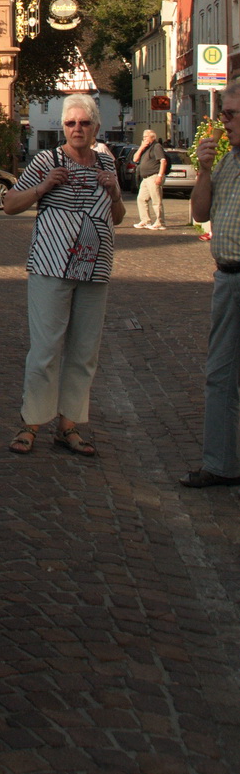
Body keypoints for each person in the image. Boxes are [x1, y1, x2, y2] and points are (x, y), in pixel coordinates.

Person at [3, 93, 124, 458]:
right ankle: (31, 423)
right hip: (52, 266)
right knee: (45, 349)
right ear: (62, 128)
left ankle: (69, 425)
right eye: (70, 123)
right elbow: (9, 204)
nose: (77, 129)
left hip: (95, 268)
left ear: (95, 127)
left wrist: (115, 191)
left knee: (85, 351)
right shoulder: (47, 159)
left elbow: (117, 217)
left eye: (84, 123)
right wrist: (43, 187)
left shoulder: (106, 162)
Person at [181, 84, 240, 487]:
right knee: (219, 374)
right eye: (225, 115)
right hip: (228, 277)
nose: (225, 122)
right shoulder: (228, 162)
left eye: (232, 115)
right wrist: (203, 170)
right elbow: (200, 212)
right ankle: (220, 464)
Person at [132, 128, 170, 230]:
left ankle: (160, 222)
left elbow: (163, 161)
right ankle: (145, 221)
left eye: (146, 137)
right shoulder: (145, 148)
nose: (144, 139)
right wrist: (141, 147)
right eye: (143, 137)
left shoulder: (156, 147)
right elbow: (135, 159)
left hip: (154, 176)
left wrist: (160, 176)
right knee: (141, 199)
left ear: (152, 137)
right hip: (145, 178)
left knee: (156, 200)